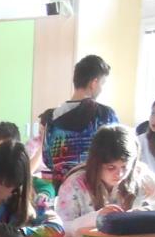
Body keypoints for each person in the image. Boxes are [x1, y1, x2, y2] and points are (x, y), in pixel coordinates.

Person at [39, 54, 119, 186]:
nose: (101, 89)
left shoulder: (51, 117)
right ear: (94, 83)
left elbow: (48, 160)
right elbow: (115, 156)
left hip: (63, 188)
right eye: (102, 83)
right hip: (94, 188)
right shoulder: (106, 115)